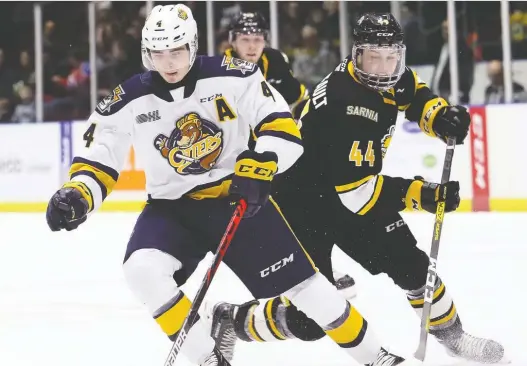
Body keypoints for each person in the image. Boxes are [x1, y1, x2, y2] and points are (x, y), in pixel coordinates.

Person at [45, 5, 415, 366]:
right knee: (140, 270)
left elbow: (282, 125)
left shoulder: (235, 75)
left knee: (307, 289)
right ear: (147, 53)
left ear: (192, 45)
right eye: (159, 53)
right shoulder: (126, 99)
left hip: (238, 200)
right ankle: (209, 359)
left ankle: (376, 357)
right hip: (172, 211)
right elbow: (100, 158)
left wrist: (264, 163)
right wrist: (79, 194)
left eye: (177, 50)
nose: (169, 62)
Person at [209, 13, 507, 365]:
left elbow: (411, 92)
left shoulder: (379, 71)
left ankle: (453, 338)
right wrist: (422, 194)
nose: (383, 67)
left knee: (412, 265)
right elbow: (357, 194)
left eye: (391, 56)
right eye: (374, 58)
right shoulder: (349, 104)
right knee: (308, 322)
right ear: (356, 53)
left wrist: (439, 116)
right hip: (302, 203)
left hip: (348, 189)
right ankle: (230, 320)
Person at [226, 11, 356, 297]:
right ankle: (287, 273)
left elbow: (297, 97)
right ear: (232, 40)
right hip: (239, 156)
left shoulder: (275, 61)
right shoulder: (220, 70)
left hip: (275, 151)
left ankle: (316, 270)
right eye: (245, 39)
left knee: (300, 207)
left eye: (257, 39)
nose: (251, 46)